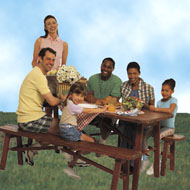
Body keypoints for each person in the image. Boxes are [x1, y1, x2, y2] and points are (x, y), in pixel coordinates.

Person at [16, 47, 66, 166]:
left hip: (31, 117)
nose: (51, 63)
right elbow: (52, 102)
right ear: (39, 59)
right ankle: (73, 157)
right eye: (48, 59)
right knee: (65, 128)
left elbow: (47, 99)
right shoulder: (38, 75)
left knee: (63, 127)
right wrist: (64, 100)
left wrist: (57, 99)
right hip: (29, 120)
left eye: (53, 60)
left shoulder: (38, 74)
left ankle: (33, 149)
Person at [60, 82, 108, 180]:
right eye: (77, 95)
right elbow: (88, 111)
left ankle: (72, 160)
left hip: (64, 130)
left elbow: (63, 96)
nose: (80, 98)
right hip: (70, 131)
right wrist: (102, 110)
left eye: (82, 96)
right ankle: (71, 164)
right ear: (71, 94)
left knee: (88, 141)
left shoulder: (68, 101)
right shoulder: (73, 106)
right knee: (92, 142)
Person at [118, 61, 155, 172]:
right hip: (126, 119)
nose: (132, 76)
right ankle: (124, 164)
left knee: (136, 133)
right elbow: (121, 103)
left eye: (134, 73)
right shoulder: (124, 85)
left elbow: (152, 107)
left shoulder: (148, 88)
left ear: (139, 73)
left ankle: (135, 166)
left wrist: (144, 105)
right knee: (123, 131)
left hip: (141, 121)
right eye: (129, 74)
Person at [32, 15, 68, 116]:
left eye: (53, 23)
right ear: (45, 27)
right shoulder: (40, 41)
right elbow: (34, 61)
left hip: (56, 79)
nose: (52, 25)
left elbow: (64, 65)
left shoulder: (64, 44)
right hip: (42, 77)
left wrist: (60, 72)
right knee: (47, 107)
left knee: (56, 105)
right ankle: (47, 128)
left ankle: (55, 127)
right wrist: (39, 74)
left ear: (57, 25)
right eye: (48, 24)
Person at [85, 57, 122, 145]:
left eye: (109, 67)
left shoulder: (117, 81)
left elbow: (113, 101)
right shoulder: (92, 78)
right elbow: (87, 97)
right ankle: (84, 141)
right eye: (104, 66)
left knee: (107, 121)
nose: (105, 69)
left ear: (113, 69)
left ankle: (102, 143)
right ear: (101, 65)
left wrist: (94, 100)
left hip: (107, 113)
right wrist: (103, 101)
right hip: (92, 112)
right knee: (75, 115)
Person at [145, 78, 177, 175]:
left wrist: (156, 109)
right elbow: (156, 113)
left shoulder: (173, 100)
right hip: (159, 126)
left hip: (169, 129)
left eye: (167, 90)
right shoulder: (159, 102)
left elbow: (169, 111)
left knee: (157, 137)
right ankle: (145, 154)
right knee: (145, 133)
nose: (164, 92)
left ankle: (157, 164)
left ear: (172, 91)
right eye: (162, 90)